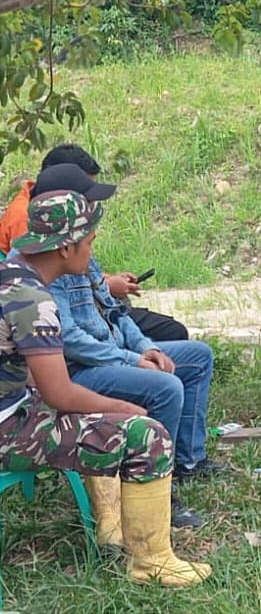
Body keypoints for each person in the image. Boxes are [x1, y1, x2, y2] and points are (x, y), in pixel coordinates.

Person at [0, 189, 209, 586]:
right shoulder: (31, 299)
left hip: (13, 404)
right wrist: (121, 407)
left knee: (98, 416)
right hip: (6, 426)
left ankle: (111, 525)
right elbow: (60, 394)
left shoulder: (11, 276)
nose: (92, 250)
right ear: (66, 247)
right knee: (146, 434)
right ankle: (152, 562)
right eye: (90, 242)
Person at [36, 164, 223, 529]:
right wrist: (132, 360)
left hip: (115, 353)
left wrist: (146, 348)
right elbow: (73, 342)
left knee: (196, 356)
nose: (95, 214)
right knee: (165, 387)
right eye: (88, 202)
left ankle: (187, 460)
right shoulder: (48, 267)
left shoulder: (83, 256)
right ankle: (155, 489)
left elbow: (118, 312)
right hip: (84, 371)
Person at [0, 144, 188, 342]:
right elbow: (58, 294)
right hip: (79, 322)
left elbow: (86, 275)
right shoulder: (34, 223)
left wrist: (106, 281)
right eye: (86, 196)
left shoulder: (59, 219)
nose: (91, 204)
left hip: (92, 313)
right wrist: (109, 285)